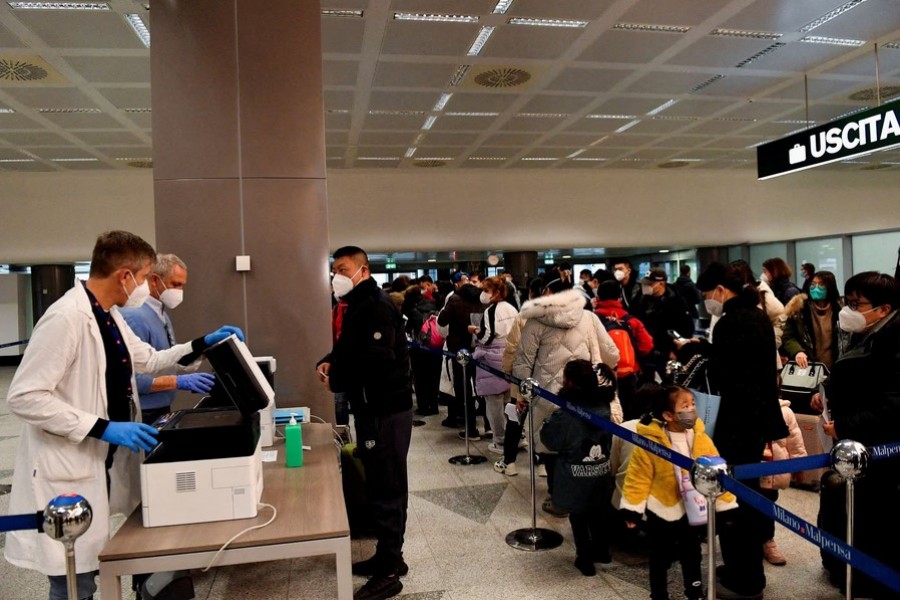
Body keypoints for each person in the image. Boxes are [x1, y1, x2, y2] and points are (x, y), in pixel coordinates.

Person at [4, 230, 243, 600]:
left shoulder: (108, 314)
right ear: (124, 275)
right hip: (65, 466)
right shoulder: (66, 318)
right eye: (147, 276)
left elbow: (148, 359)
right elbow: (24, 396)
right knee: (74, 580)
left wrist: (201, 343)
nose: (148, 285)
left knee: (89, 568)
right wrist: (103, 428)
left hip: (98, 462)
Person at [316, 246, 414, 600]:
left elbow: (377, 359)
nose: (337, 276)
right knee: (380, 483)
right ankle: (390, 557)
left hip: (386, 410)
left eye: (343, 268)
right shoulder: (357, 303)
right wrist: (331, 361)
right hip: (373, 408)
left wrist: (338, 379)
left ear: (363, 269)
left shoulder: (375, 305)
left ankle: (389, 572)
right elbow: (349, 347)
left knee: (387, 487)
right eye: (334, 270)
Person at [696, 262, 788, 600]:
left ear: (721, 290)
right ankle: (748, 573)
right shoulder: (758, 314)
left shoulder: (731, 322)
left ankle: (743, 578)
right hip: (758, 420)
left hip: (736, 423)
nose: (708, 302)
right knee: (751, 497)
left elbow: (724, 375)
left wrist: (703, 353)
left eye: (708, 295)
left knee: (735, 501)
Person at [812, 271, 900, 598]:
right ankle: (843, 567)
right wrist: (828, 392)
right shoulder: (867, 331)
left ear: (882, 308)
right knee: (851, 508)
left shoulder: (893, 340)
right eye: (846, 302)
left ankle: (869, 579)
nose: (847, 310)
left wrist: (846, 425)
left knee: (874, 517)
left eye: (855, 303)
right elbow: (852, 374)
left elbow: (893, 404)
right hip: (856, 442)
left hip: (879, 448)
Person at [513, 273, 619, 516]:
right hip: (585, 393)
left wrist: (521, 392)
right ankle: (587, 496)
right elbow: (611, 353)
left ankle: (557, 496)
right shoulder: (589, 317)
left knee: (551, 443)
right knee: (584, 445)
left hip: (548, 394)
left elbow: (523, 361)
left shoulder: (535, 322)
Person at [620, 384, 737, 600]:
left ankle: (694, 592)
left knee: (692, 554)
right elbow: (638, 478)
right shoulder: (651, 443)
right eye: (685, 406)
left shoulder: (701, 437)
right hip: (662, 509)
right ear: (668, 415)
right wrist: (632, 510)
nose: (692, 409)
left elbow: (717, 472)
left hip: (692, 509)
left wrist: (726, 506)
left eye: (693, 404)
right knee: (660, 557)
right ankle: (659, 593)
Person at [120, 253, 215, 426]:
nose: (179, 291)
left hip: (161, 407)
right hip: (143, 413)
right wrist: (177, 381)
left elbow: (167, 358)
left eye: (182, 286)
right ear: (154, 280)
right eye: (175, 284)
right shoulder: (135, 316)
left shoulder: (160, 314)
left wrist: (204, 350)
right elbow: (130, 377)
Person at [541, 360, 616, 576]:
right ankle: (602, 551)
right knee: (598, 513)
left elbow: (550, 440)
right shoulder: (604, 406)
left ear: (569, 382)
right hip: (601, 471)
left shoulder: (567, 413)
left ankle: (584, 558)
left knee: (579, 517)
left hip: (575, 475)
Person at [470, 276, 518, 454]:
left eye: (486, 290)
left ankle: (500, 440)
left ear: (496, 292)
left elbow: (486, 337)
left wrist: (475, 330)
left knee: (494, 404)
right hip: (510, 356)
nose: (483, 294)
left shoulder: (491, 311)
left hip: (492, 359)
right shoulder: (512, 308)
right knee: (509, 402)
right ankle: (516, 436)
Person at [760, 395, 806, 567]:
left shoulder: (785, 412)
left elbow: (795, 441)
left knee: (768, 506)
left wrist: (798, 465)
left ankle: (767, 540)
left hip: (773, 472)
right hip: (750, 468)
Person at [437, 275, 485, 438]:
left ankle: (470, 428)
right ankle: (489, 425)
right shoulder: (483, 299)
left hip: (460, 350)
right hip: (480, 347)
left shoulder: (455, 299)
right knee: (482, 386)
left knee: (464, 388)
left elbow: (442, 321)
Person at [634, 267, 694, 378]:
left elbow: (686, 328)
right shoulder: (641, 299)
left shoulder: (677, 301)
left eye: (650, 284)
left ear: (661, 283)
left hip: (668, 352)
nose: (646, 287)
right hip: (646, 351)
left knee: (670, 383)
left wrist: (675, 350)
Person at [780, 270, 841, 371]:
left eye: (821, 285)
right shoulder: (799, 309)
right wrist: (797, 351)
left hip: (834, 367)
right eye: (813, 284)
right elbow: (788, 336)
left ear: (830, 287)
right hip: (807, 367)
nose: (815, 288)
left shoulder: (840, 309)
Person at [402, 276, 441, 416]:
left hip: (418, 348)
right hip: (436, 347)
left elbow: (408, 329)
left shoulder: (412, 310)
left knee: (420, 378)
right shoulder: (435, 305)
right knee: (434, 377)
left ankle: (423, 406)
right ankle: (434, 405)